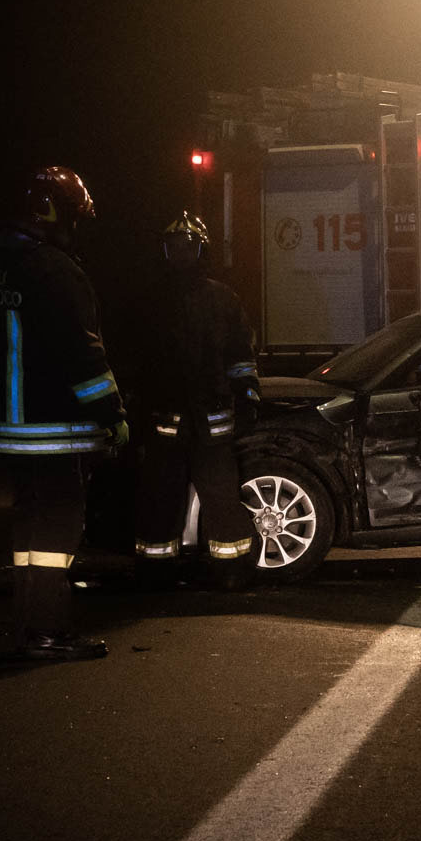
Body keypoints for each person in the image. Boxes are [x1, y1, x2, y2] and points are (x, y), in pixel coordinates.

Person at [0, 166, 127, 661]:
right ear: (59, 213)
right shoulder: (58, 271)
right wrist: (113, 413)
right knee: (57, 534)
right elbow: (83, 357)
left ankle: (28, 627)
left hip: (9, 429)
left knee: (29, 532)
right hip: (53, 428)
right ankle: (47, 633)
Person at [132, 210, 260, 589]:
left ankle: (232, 568)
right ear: (164, 252)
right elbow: (139, 360)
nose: (180, 254)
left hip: (211, 419)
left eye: (187, 246)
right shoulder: (151, 301)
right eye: (173, 247)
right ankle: (157, 570)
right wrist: (137, 407)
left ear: (201, 250)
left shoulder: (223, 299)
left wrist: (249, 393)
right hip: (165, 419)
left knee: (221, 496)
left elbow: (240, 354)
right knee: (160, 498)